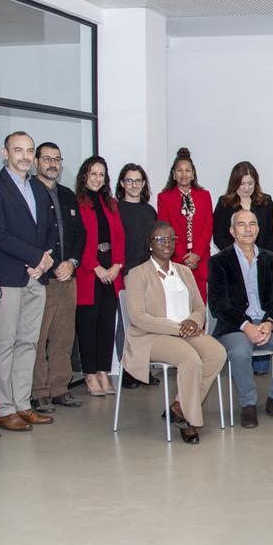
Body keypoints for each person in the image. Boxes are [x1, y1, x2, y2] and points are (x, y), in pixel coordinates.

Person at [123, 222, 226, 444]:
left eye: (171, 239)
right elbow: (139, 317)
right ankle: (190, 421)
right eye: (160, 239)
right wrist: (178, 328)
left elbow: (199, 307)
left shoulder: (185, 271)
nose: (166, 243)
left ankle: (179, 406)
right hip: (151, 336)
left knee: (217, 353)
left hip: (186, 330)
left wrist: (192, 320)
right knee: (190, 358)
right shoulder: (137, 274)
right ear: (150, 244)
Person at [208, 208, 273, 428]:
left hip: (267, 323)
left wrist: (270, 323)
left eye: (252, 224)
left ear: (258, 229)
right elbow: (218, 304)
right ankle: (248, 404)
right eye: (241, 224)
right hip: (234, 326)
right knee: (241, 351)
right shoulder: (219, 261)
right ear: (232, 231)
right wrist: (246, 326)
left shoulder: (270, 259)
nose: (247, 229)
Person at [0, 131, 56, 432]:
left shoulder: (38, 187)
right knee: (5, 344)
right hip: (10, 276)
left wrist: (45, 260)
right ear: (5, 153)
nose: (25, 156)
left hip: (36, 277)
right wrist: (35, 257)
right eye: (19, 150)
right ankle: (3, 409)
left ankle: (22, 404)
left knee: (29, 341)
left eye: (29, 151)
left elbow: (49, 228)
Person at [30, 142, 85, 413]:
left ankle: (60, 388)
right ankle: (39, 392)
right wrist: (50, 265)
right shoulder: (29, 191)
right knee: (39, 338)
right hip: (41, 278)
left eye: (57, 159)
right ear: (36, 162)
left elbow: (79, 234)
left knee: (63, 337)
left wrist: (72, 263)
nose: (52, 163)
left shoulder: (66, 195)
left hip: (68, 276)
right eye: (47, 159)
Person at [74, 156, 125, 397]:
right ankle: (90, 373)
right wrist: (96, 268)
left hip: (111, 272)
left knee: (106, 325)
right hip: (89, 273)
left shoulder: (111, 203)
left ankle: (104, 370)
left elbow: (119, 237)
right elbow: (79, 240)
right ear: (84, 176)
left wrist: (116, 266)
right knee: (88, 326)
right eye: (93, 173)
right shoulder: (77, 203)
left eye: (101, 174)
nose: (97, 178)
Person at [114, 163, 157, 389]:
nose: (134, 185)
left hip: (148, 274)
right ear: (122, 183)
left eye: (138, 181)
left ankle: (144, 369)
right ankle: (128, 371)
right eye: (129, 180)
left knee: (148, 322)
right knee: (127, 323)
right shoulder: (116, 209)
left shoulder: (149, 211)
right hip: (126, 272)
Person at [157, 147, 213, 303]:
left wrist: (196, 254)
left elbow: (208, 227)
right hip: (176, 260)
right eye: (179, 171)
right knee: (178, 305)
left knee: (199, 304)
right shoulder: (164, 197)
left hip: (199, 261)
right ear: (174, 174)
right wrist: (183, 257)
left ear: (193, 173)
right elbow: (165, 230)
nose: (184, 174)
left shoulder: (204, 196)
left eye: (188, 170)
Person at [213, 161, 273, 252]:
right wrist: (237, 256)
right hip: (233, 261)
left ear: (256, 183)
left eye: (250, 183)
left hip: (262, 260)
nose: (246, 188)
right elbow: (219, 237)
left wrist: (262, 257)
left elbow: (272, 234)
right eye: (242, 184)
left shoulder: (266, 201)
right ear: (234, 183)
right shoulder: (224, 203)